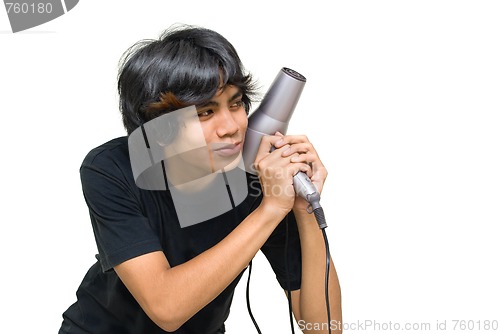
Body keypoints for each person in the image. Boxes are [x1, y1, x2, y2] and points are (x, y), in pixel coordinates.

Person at [58, 24, 342, 334]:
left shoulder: (260, 182)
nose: (231, 126)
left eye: (235, 104)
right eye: (205, 112)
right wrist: (270, 210)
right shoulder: (112, 167)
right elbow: (166, 308)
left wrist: (303, 209)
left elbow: (324, 329)